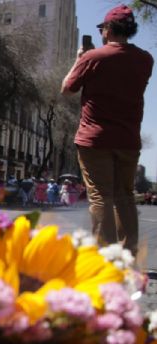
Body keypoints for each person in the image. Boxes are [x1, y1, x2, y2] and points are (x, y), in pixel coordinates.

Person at [61, 5, 153, 255]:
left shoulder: (93, 58)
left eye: (102, 28)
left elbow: (67, 89)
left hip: (95, 139)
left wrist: (80, 59)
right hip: (128, 139)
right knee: (124, 195)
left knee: (101, 196)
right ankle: (128, 251)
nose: (101, 32)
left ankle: (107, 255)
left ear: (109, 29)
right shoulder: (146, 60)